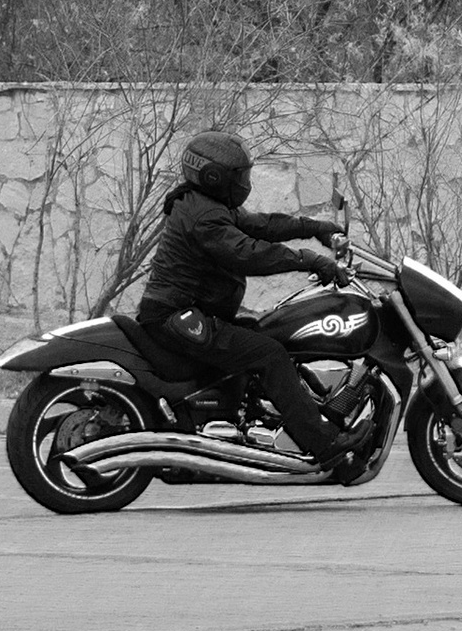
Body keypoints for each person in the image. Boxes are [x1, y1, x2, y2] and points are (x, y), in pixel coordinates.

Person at [133, 131, 372, 480]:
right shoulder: (204, 216)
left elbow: (262, 225)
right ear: (215, 177)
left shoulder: (208, 205)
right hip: (176, 316)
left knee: (268, 333)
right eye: (240, 175)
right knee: (269, 354)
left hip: (187, 311)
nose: (245, 182)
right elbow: (248, 254)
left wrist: (316, 228)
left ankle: (274, 418)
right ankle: (326, 445)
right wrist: (309, 260)